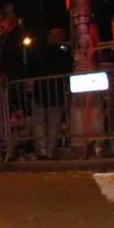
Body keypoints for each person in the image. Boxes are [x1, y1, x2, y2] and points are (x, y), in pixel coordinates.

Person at [29, 28, 72, 160]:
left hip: (39, 93)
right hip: (56, 93)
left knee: (39, 123)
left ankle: (41, 150)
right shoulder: (64, 56)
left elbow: (31, 69)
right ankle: (51, 150)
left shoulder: (40, 53)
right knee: (54, 123)